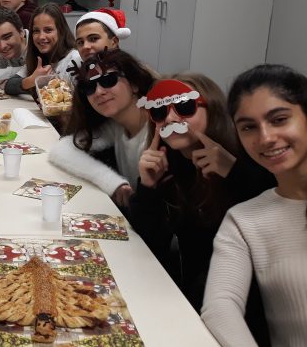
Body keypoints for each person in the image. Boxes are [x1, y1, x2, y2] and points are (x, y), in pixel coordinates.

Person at [131, 74, 275, 310]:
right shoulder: (169, 168)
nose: (170, 118)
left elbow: (266, 235)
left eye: (184, 107)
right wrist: (148, 188)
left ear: (214, 111)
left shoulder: (251, 163)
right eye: (159, 111)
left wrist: (233, 174)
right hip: (184, 299)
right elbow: (148, 246)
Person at [202, 64, 307, 347]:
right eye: (248, 127)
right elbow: (220, 306)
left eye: (279, 119)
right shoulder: (244, 219)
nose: (266, 137)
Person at [48, 49, 155, 212]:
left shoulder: (158, 129)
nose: (98, 92)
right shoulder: (116, 125)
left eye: (109, 80)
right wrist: (113, 183)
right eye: (89, 87)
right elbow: (61, 150)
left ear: (134, 84)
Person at [4, 2, 81, 96]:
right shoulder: (38, 59)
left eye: (48, 30)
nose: (41, 37)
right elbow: (9, 86)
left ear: (61, 31)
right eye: (36, 31)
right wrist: (33, 80)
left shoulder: (75, 59)